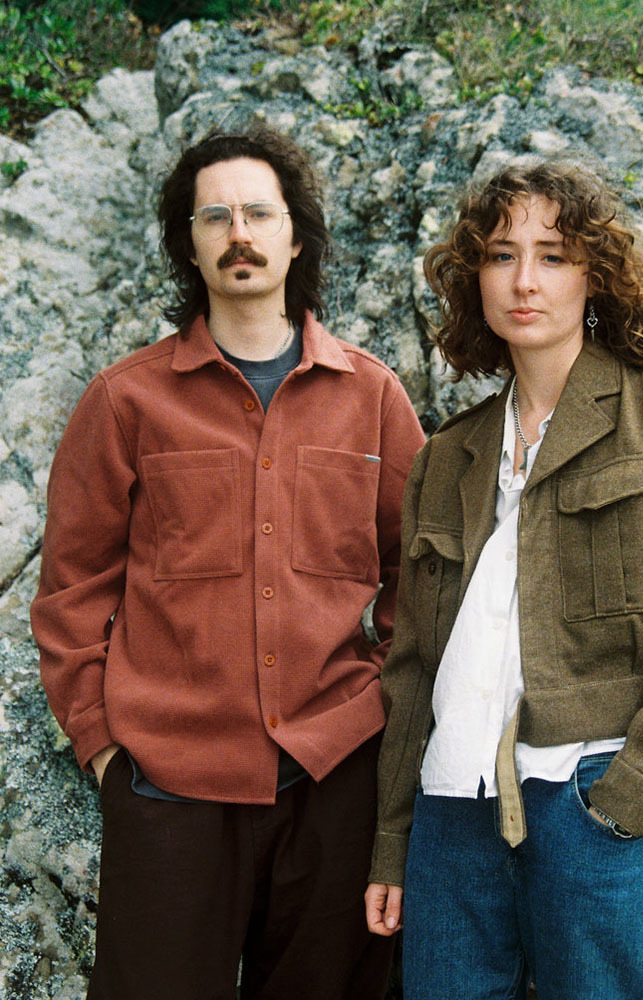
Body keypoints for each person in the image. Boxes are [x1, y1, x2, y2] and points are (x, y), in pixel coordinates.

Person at [30, 124, 425, 1000]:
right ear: (189, 243)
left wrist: (384, 706)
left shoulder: (372, 396)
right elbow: (71, 593)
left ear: (296, 235)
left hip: (334, 778)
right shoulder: (126, 401)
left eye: (258, 213)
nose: (238, 233)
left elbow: (424, 572)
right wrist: (104, 747)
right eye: (215, 217)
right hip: (169, 786)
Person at [365, 161, 643, 1000]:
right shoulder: (446, 456)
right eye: (501, 256)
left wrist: (629, 796)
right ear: (475, 277)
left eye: (552, 256)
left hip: (589, 806)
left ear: (594, 275)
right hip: (450, 814)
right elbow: (413, 666)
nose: (525, 281)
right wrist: (393, 841)